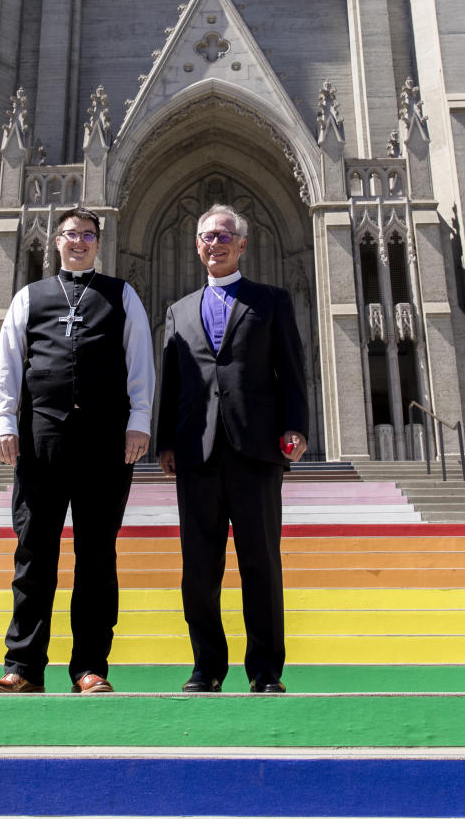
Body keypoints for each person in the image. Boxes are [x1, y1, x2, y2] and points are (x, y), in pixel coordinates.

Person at [0, 207, 154, 695]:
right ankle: (23, 666)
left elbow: (139, 363)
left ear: (98, 243)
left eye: (87, 235)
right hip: (42, 440)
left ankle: (89, 667)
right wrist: (2, 422)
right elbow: (8, 364)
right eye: (70, 234)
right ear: (56, 241)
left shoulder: (122, 296)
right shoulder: (28, 298)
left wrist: (139, 422)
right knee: (34, 553)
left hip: (104, 443)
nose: (78, 242)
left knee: (96, 557)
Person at [157, 203, 308, 695]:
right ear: (196, 246)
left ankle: (265, 670)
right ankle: (207, 667)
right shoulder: (178, 310)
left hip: (256, 448)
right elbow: (172, 382)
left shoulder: (271, 301)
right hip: (196, 452)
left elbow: (291, 371)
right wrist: (164, 442)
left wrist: (296, 429)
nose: (215, 243)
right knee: (199, 567)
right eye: (206, 237)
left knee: (260, 562)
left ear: (241, 244)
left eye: (224, 236)